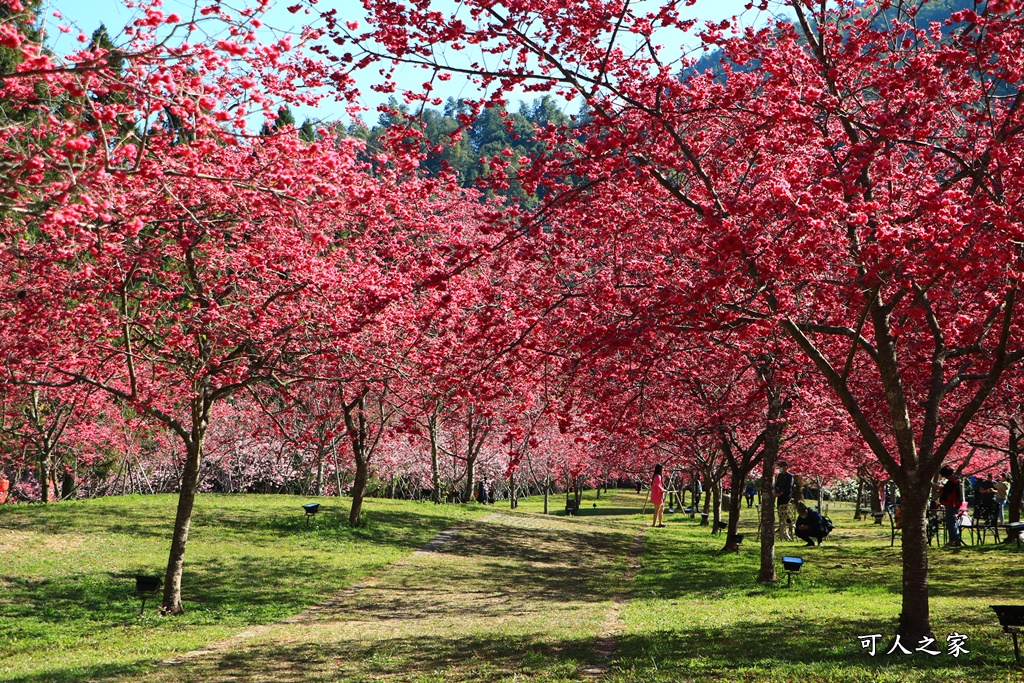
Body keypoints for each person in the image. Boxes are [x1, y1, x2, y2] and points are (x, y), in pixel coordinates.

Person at [933, 465, 962, 547]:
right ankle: (956, 539)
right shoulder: (955, 480)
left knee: (950, 522)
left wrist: (939, 488)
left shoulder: (952, 481)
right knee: (953, 521)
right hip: (955, 503)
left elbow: (947, 491)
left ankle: (952, 540)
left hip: (951, 503)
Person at [651, 463, 667, 528]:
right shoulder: (658, 476)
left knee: (661, 508)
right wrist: (663, 490)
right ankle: (654, 524)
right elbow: (657, 486)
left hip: (657, 494)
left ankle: (660, 522)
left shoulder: (656, 476)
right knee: (657, 509)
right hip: (657, 495)